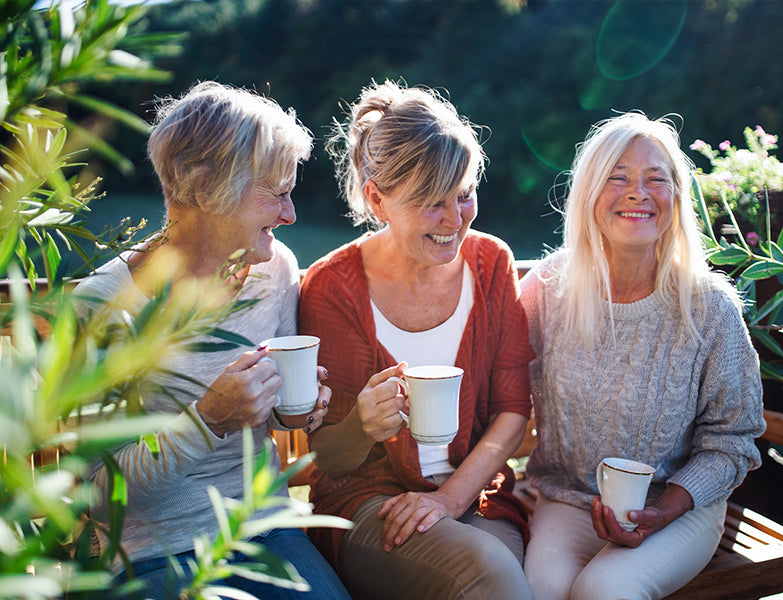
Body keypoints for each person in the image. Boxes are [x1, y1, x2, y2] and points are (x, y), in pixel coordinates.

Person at [74, 81, 350, 600]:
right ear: (202, 190)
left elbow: (278, 419)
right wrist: (207, 421)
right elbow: (100, 496)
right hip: (149, 551)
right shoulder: (103, 306)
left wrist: (297, 409)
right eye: (277, 193)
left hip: (260, 526)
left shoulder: (275, 270)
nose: (290, 216)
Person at [298, 80, 535, 600]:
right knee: (490, 576)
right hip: (366, 505)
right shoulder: (332, 286)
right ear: (377, 199)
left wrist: (449, 499)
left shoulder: (492, 262)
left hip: (474, 498)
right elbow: (331, 460)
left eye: (465, 194)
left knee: (505, 576)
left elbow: (512, 412)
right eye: (433, 203)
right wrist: (361, 425)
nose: (456, 221)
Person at [520, 112, 766, 600]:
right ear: (589, 192)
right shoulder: (547, 288)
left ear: (676, 199)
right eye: (618, 177)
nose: (638, 192)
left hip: (681, 508)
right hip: (568, 500)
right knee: (537, 591)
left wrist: (666, 510)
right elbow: (495, 388)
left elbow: (734, 440)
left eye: (657, 179)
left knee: (605, 591)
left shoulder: (709, 308)